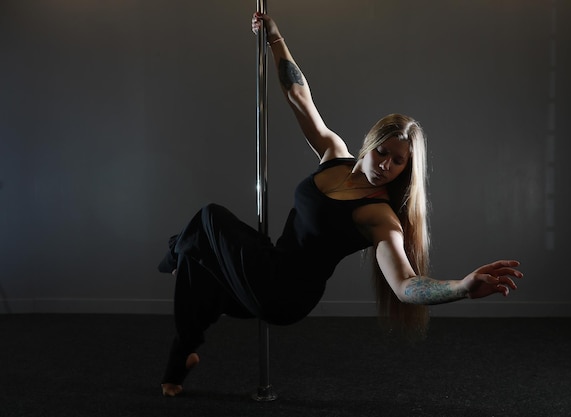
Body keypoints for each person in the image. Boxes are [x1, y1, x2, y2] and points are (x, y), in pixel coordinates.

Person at [157, 12, 523, 397]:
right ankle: (181, 358)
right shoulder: (334, 154)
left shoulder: (379, 216)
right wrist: (274, 37)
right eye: (383, 152)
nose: (386, 165)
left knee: (209, 220)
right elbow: (299, 96)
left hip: (285, 293)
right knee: (199, 266)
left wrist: (462, 287)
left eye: (399, 161)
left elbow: (406, 285)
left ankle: (173, 253)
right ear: (370, 143)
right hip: (268, 261)